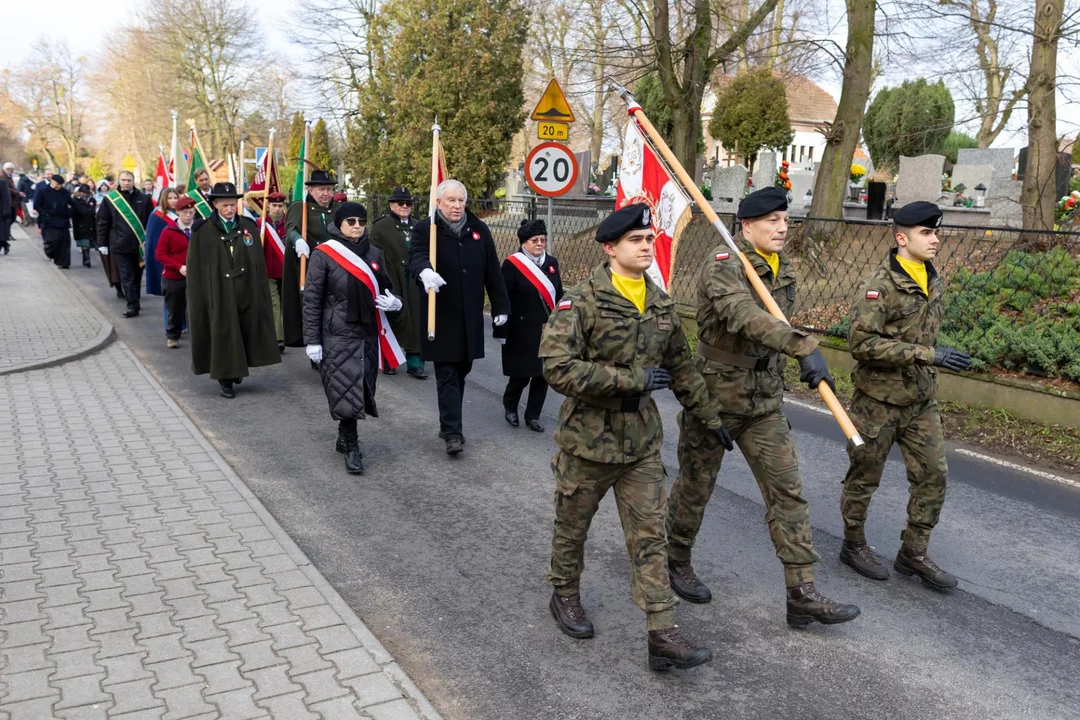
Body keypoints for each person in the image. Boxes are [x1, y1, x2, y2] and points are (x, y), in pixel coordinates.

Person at [539, 203, 735, 671]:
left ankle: (662, 633)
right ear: (610, 248)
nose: (647, 246)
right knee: (572, 529)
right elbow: (555, 366)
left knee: (650, 538)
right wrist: (630, 381)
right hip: (587, 442)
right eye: (636, 241)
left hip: (641, 445)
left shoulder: (662, 304)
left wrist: (710, 417)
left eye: (650, 240)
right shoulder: (581, 301)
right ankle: (564, 593)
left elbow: (682, 369)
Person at [665, 186, 860, 628]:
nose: (781, 227)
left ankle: (801, 591)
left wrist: (796, 352)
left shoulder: (783, 269)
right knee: (696, 488)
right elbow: (742, 316)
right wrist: (803, 346)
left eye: (785, 220)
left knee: (786, 490)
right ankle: (676, 558)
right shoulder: (722, 266)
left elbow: (773, 325)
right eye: (771, 220)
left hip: (763, 400)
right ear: (746, 226)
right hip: (713, 398)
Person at [840, 201, 971, 591]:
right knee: (864, 475)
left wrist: (925, 359)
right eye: (926, 233)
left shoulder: (932, 279)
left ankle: (913, 552)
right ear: (902, 238)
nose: (935, 239)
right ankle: (853, 544)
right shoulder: (879, 286)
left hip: (919, 400)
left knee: (933, 475)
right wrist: (926, 354)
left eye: (935, 232)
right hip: (877, 401)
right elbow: (860, 343)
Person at [408, 179, 509, 456]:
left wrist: (501, 308)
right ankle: (453, 432)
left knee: (462, 370)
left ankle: (448, 422)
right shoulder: (425, 229)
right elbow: (415, 257)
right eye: (450, 200)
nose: (456, 206)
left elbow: (493, 272)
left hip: (470, 316)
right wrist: (424, 271)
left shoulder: (479, 230)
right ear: (438, 203)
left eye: (460, 200)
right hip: (440, 315)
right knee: (447, 374)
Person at [303, 202, 404, 474]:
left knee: (358, 388)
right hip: (336, 334)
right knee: (346, 388)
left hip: (368, 333)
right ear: (339, 224)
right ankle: (352, 445)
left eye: (361, 221)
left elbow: (387, 287)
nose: (357, 226)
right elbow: (312, 300)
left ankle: (343, 435)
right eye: (351, 221)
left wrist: (395, 302)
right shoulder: (323, 255)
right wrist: (312, 339)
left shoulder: (373, 253)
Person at [186, 182, 280, 398]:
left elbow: (256, 260)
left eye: (233, 205)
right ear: (215, 204)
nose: (230, 209)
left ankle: (239, 367)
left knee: (246, 328)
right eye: (225, 205)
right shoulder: (202, 230)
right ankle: (225, 378)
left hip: (246, 289)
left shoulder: (248, 227)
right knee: (223, 331)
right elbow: (196, 268)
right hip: (218, 291)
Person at [495, 219, 562, 432]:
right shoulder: (512, 265)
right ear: (524, 242)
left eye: (543, 240)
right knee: (521, 375)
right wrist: (501, 327)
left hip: (546, 329)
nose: (540, 244)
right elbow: (502, 297)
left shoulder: (551, 263)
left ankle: (533, 415)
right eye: (535, 240)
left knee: (543, 375)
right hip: (520, 329)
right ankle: (511, 405)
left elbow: (558, 294)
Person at [369, 186, 425, 378]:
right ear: (392, 204)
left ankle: (415, 361)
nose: (404, 206)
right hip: (391, 276)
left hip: (414, 278)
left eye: (408, 203)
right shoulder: (381, 227)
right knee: (392, 316)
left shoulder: (418, 225)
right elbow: (374, 254)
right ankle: (388, 359)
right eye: (400, 203)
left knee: (417, 318)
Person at [282, 169, 341, 348]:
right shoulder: (301, 208)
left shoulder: (339, 210)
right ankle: (315, 344)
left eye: (329, 189)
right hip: (311, 266)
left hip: (337, 267)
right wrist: (297, 240)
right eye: (321, 189)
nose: (326, 194)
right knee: (314, 307)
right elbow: (291, 228)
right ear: (311, 191)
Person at [97, 171, 152, 317]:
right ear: (118, 181)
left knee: (137, 275)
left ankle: (135, 299)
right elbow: (102, 222)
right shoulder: (110, 199)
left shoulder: (144, 199)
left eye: (129, 180)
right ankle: (132, 305)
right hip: (119, 245)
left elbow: (150, 222)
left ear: (134, 181)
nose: (126, 182)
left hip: (140, 245)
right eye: (123, 180)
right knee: (126, 276)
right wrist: (102, 243)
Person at [155, 196, 197, 349]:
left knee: (195, 308)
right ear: (178, 212)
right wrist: (178, 266)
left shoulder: (198, 230)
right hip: (173, 277)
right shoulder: (168, 231)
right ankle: (173, 336)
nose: (188, 216)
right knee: (175, 308)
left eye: (191, 212)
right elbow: (160, 254)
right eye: (185, 212)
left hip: (195, 276)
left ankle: (198, 337)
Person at [259, 191, 288, 352]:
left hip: (285, 271)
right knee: (274, 303)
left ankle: (287, 333)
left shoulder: (288, 222)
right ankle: (278, 338)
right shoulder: (261, 224)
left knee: (285, 305)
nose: (277, 209)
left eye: (280, 205)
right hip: (268, 271)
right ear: (268, 206)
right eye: (274, 205)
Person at [33, 174, 73, 268]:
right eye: (57, 184)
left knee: (64, 243)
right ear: (52, 181)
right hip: (49, 221)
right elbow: (37, 205)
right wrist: (44, 213)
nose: (58, 186)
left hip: (63, 220)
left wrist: (69, 213)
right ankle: (50, 252)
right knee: (52, 241)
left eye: (61, 184)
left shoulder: (65, 192)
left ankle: (63, 263)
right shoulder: (42, 191)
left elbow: (72, 205)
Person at [145, 187, 179, 297]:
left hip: (179, 255)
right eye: (170, 198)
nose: (174, 200)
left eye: (175, 198)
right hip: (165, 257)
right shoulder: (156, 216)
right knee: (169, 294)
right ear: (164, 199)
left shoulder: (181, 213)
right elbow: (152, 241)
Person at [71, 184, 97, 268]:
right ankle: (86, 259)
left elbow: (92, 211)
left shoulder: (92, 200)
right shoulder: (75, 200)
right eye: (82, 192)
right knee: (84, 242)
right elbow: (78, 211)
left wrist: (88, 211)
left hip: (91, 224)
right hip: (80, 224)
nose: (84, 194)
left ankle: (86, 258)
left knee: (89, 242)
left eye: (86, 192)